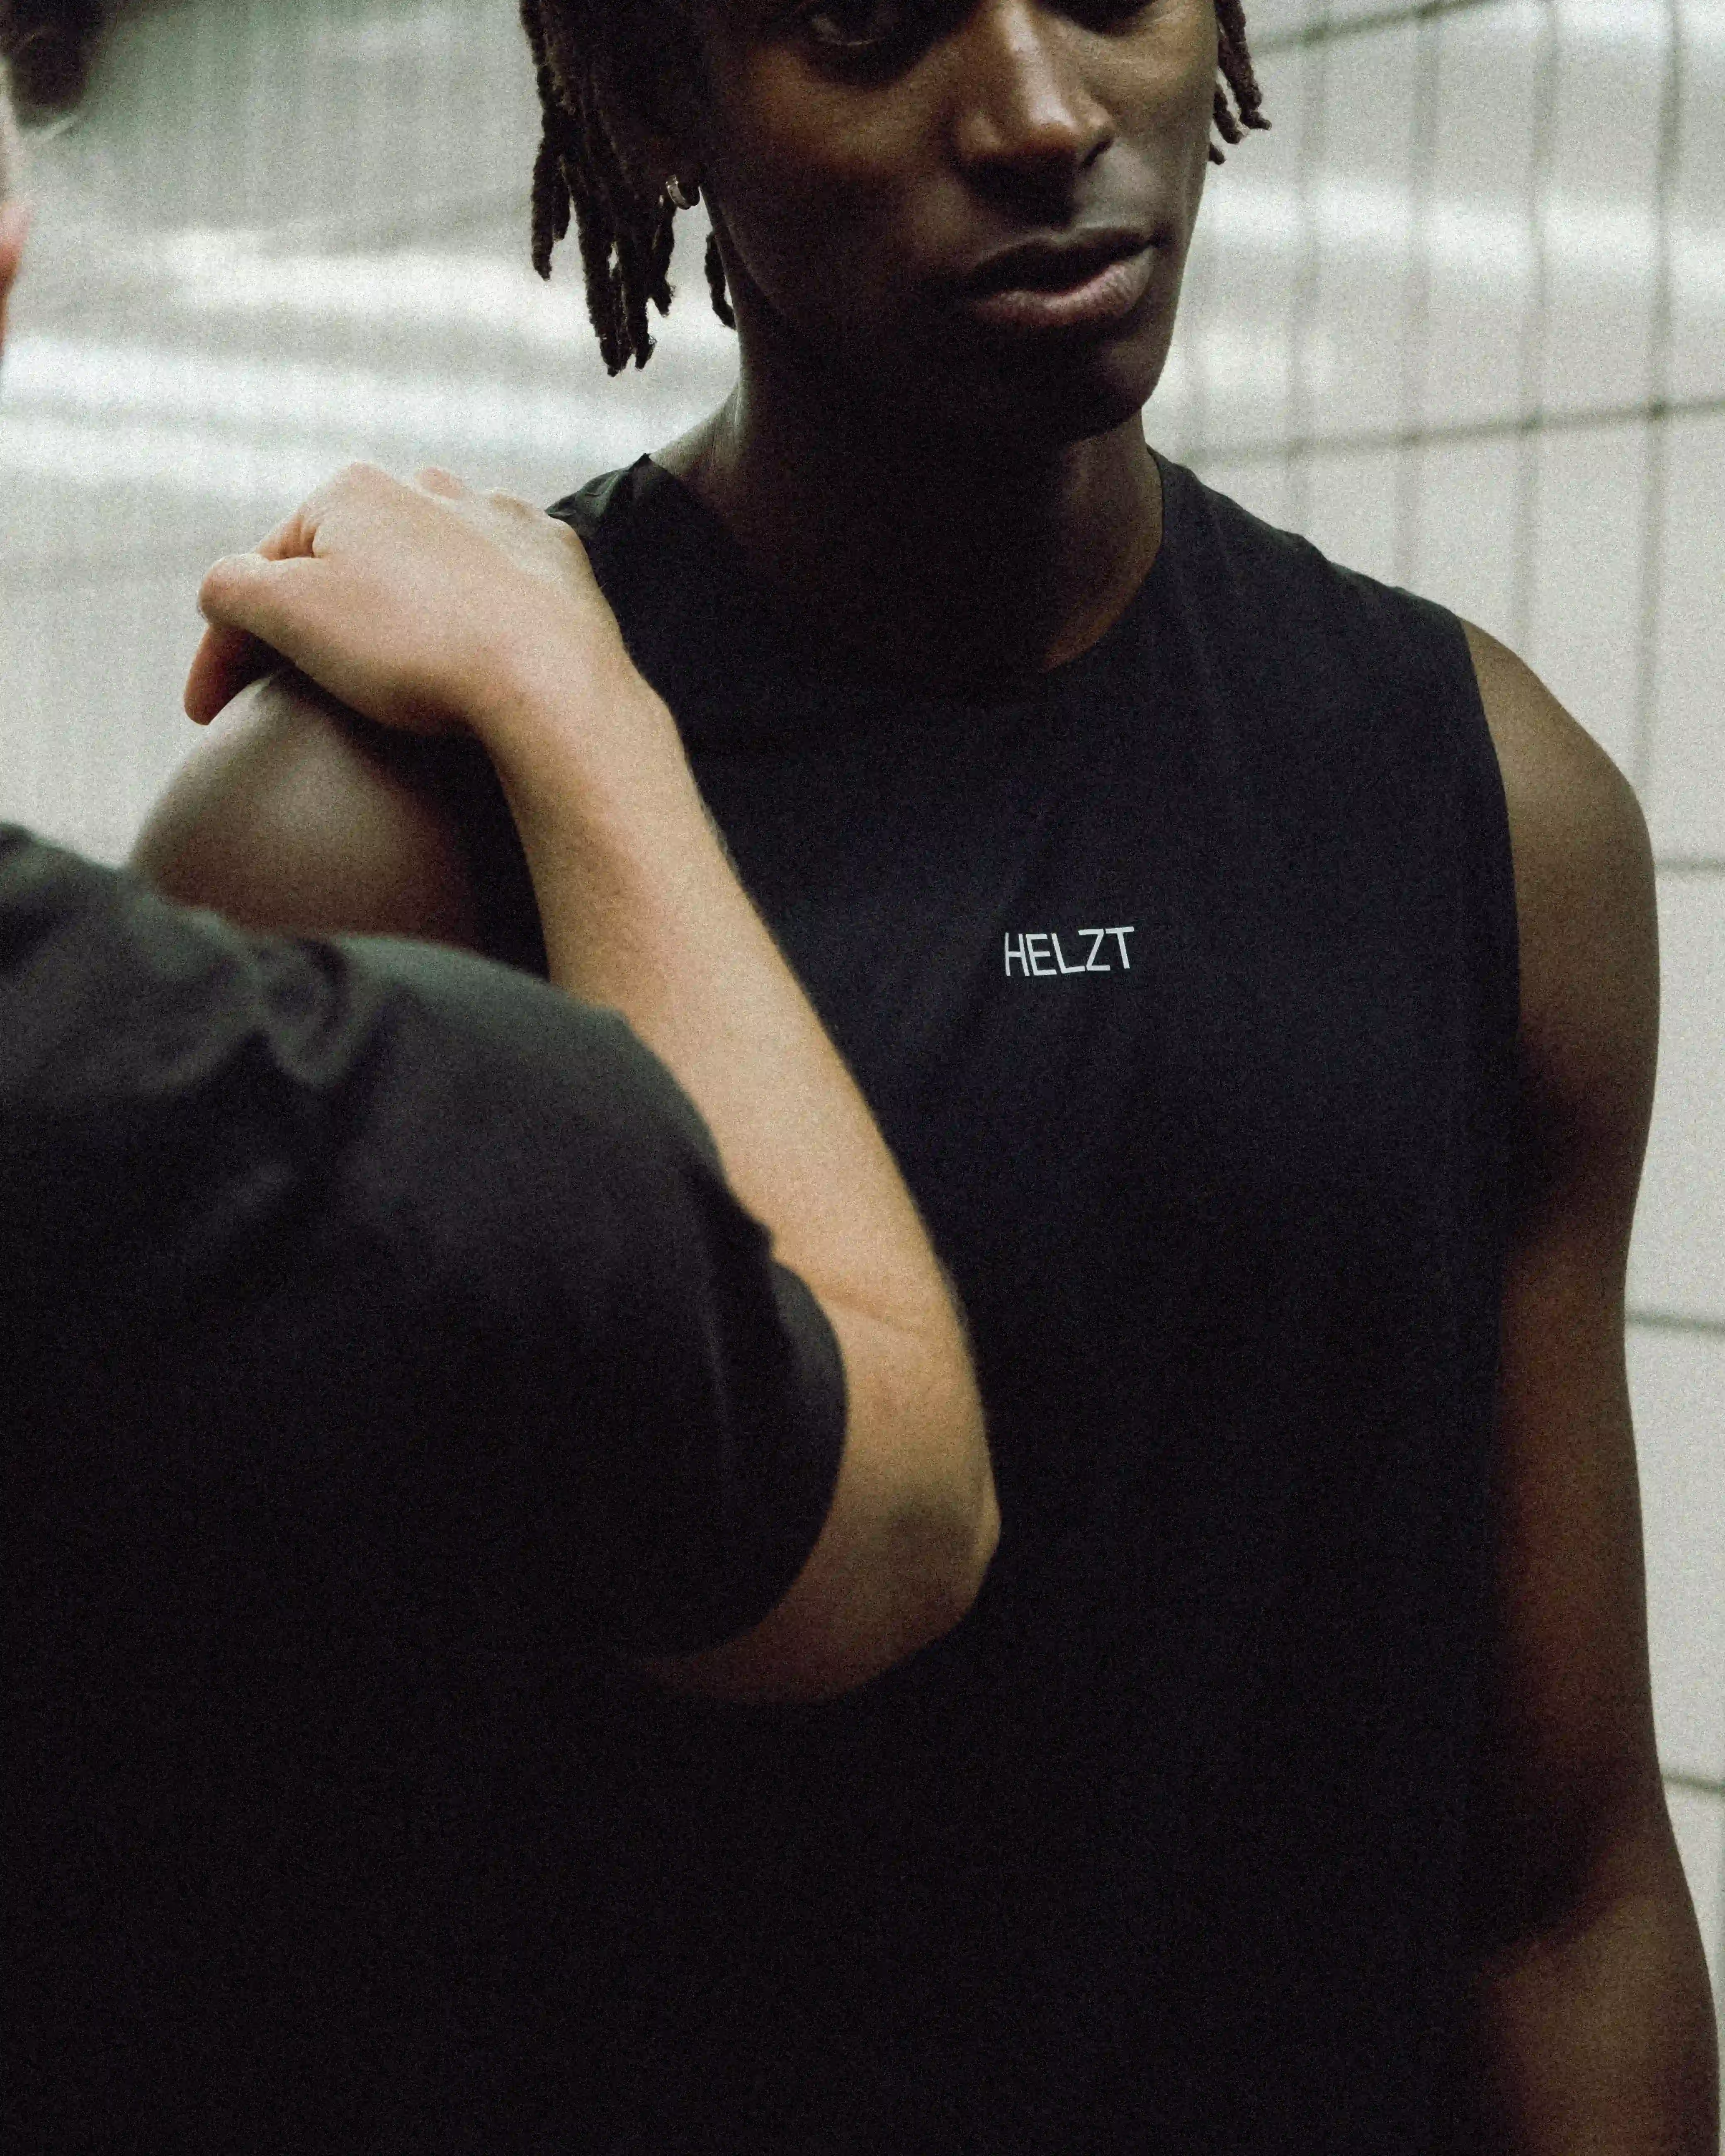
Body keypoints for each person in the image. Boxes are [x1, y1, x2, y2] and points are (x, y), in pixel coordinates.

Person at [134, 0, 1719, 2149]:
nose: (1046, 110)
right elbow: (225, 1930)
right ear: (650, 100)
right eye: (872, 28)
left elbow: (1562, 1894)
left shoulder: (1491, 809)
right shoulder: (367, 855)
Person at [0, 75, 999, 2151]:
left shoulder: (1457, 777)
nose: (1028, 105)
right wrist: (581, 712)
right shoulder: (260, 1079)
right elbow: (892, 1502)